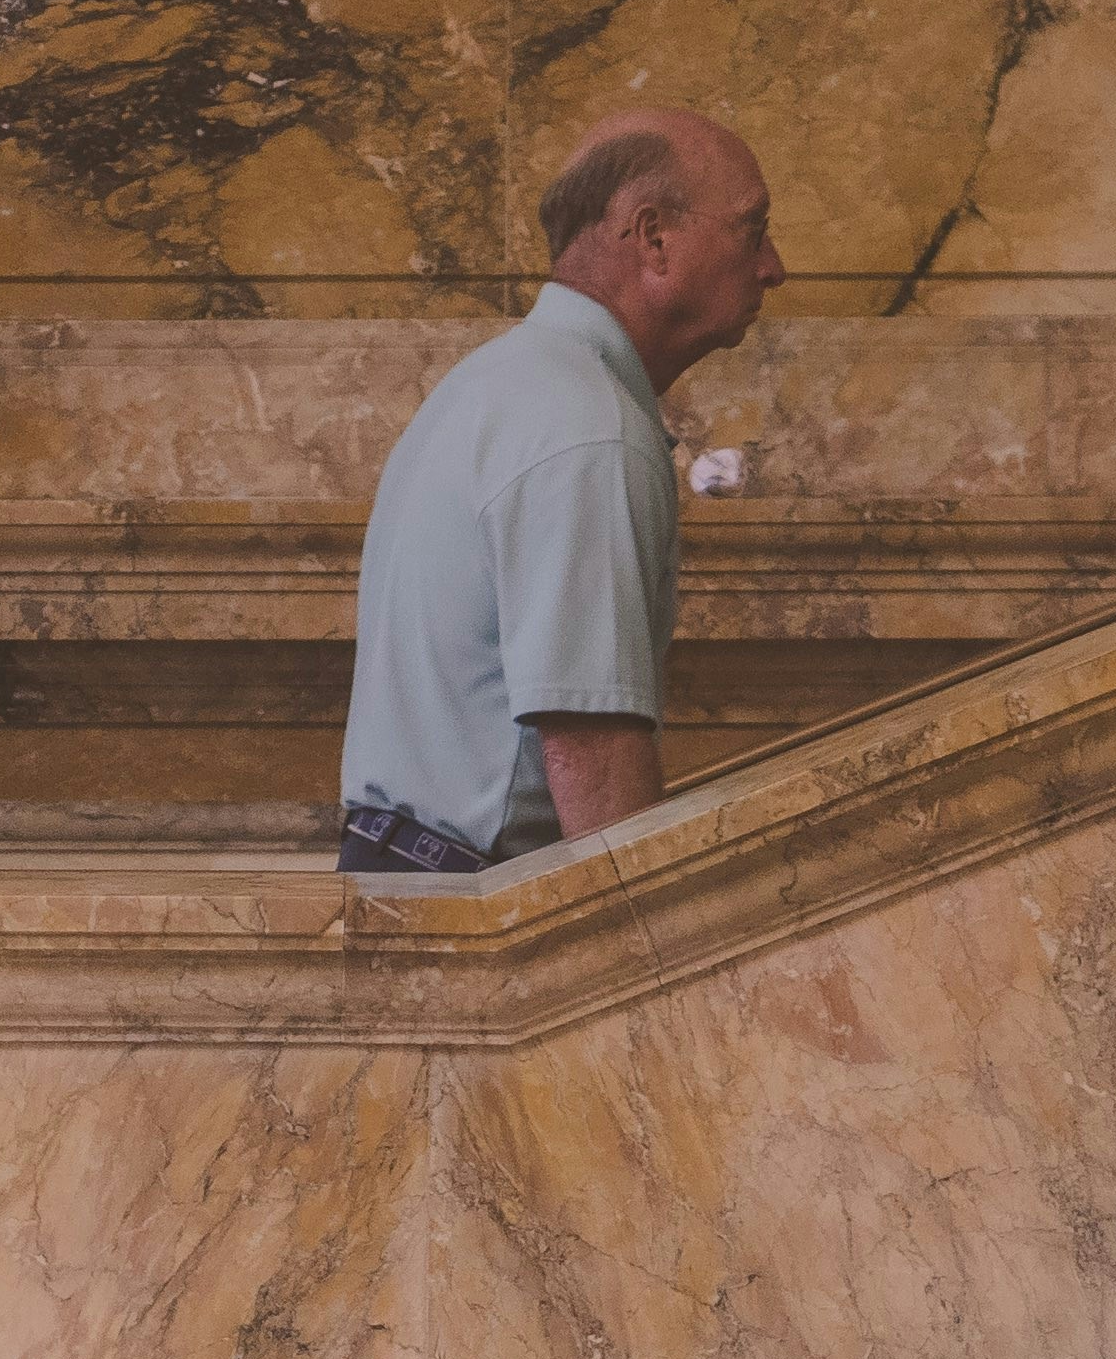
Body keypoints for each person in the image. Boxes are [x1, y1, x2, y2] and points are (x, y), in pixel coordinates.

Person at [333, 107, 786, 875]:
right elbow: (592, 750)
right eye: (752, 229)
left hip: (408, 878)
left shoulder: (496, 383)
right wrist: (658, 965)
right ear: (653, 238)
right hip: (478, 907)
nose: (774, 265)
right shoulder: (588, 426)